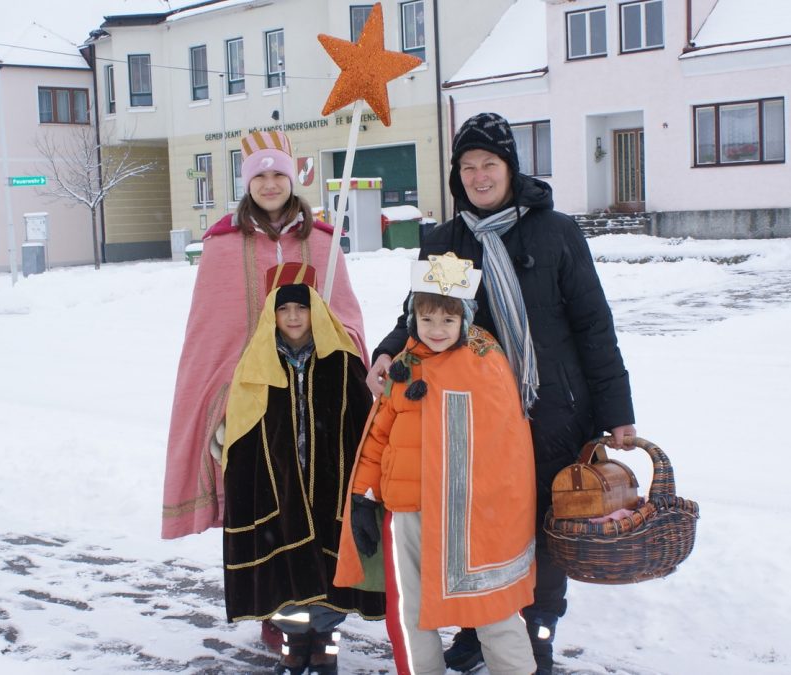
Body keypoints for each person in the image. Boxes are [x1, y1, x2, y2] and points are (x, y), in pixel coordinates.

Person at [365, 112, 637, 675]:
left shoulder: (556, 231)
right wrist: (387, 352)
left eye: (489, 164)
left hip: (550, 412)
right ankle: (475, 629)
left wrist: (618, 414)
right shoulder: (446, 241)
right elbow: (418, 321)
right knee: (472, 523)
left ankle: (536, 632)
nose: (479, 175)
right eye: (467, 166)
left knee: (541, 526)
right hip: (469, 418)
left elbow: (593, 325)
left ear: (510, 168)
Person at [161, 129, 369, 654]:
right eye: (260, 175)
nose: (271, 183)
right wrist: (221, 402)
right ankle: (275, 609)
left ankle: (320, 610)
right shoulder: (223, 246)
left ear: (294, 177)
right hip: (257, 404)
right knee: (266, 508)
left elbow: (347, 320)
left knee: (320, 508)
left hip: (316, 402)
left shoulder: (323, 239)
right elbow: (209, 336)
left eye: (279, 173)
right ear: (247, 182)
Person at [336, 253, 538, 675]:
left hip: (469, 519)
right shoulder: (404, 364)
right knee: (408, 611)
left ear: (464, 319)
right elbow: (378, 436)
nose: (437, 330)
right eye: (427, 320)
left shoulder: (486, 363)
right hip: (406, 511)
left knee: (493, 604)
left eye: (448, 320)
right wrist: (361, 496)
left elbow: (506, 448)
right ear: (413, 320)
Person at [221, 263, 384, 674]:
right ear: (272, 316)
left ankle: (325, 646)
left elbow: (363, 425)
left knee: (331, 567)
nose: (293, 317)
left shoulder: (342, 362)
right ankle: (295, 644)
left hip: (330, 482)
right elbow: (241, 425)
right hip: (279, 486)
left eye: (301, 308)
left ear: (315, 311)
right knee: (286, 565)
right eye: (284, 309)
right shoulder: (257, 365)